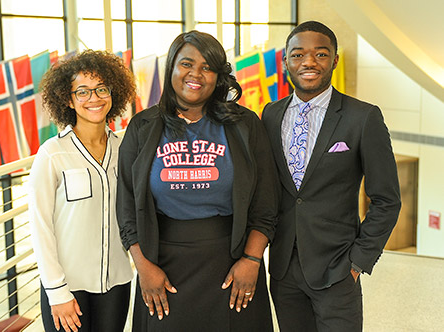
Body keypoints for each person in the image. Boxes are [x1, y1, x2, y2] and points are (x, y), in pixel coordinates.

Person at [117, 30, 278, 331]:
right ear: (172, 68)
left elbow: (265, 202)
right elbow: (126, 207)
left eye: (207, 67)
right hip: (161, 265)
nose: (196, 74)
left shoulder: (245, 125)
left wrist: (252, 260)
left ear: (218, 76)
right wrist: (144, 268)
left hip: (231, 263)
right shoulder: (143, 126)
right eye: (187, 64)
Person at [261, 21, 402, 332]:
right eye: (297, 55)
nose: (309, 62)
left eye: (320, 54)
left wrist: (357, 262)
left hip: (337, 269)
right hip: (283, 268)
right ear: (286, 61)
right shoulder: (270, 114)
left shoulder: (363, 117)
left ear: (335, 60)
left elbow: (386, 199)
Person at [28, 50, 136, 332]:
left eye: (101, 89)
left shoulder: (124, 150)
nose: (94, 98)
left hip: (116, 283)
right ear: (68, 98)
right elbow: (40, 227)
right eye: (83, 92)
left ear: (114, 93)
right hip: (68, 288)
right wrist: (57, 292)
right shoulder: (53, 154)